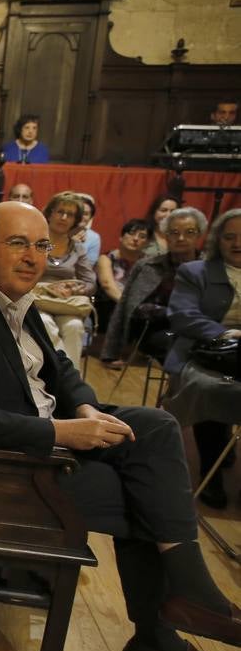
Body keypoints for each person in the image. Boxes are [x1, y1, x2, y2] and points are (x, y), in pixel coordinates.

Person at [0, 200, 240, 651]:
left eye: (40, 245)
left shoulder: (10, 295)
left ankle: (185, 602)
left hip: (37, 432)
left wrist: (84, 409)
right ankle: (163, 630)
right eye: (17, 243)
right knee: (144, 493)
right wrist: (62, 432)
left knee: (156, 428)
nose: (33, 257)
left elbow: (60, 368)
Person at [165, 208, 241, 509]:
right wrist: (228, 334)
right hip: (207, 351)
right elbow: (183, 316)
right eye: (230, 237)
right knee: (211, 389)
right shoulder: (194, 271)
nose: (237, 243)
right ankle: (212, 473)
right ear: (217, 240)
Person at [101, 207, 207, 368]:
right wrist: (110, 353)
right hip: (156, 330)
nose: (181, 237)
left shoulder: (211, 268)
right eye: (174, 232)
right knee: (183, 349)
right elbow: (129, 306)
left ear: (199, 234)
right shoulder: (147, 265)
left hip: (202, 330)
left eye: (190, 232)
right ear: (166, 236)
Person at [35, 191, 97, 368]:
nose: (63, 217)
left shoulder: (78, 248)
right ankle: (63, 375)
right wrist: (46, 287)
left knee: (75, 326)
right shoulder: (35, 243)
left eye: (69, 214)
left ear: (75, 220)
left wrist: (74, 289)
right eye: (59, 211)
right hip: (37, 300)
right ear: (49, 213)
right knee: (45, 323)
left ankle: (70, 384)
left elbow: (90, 283)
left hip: (66, 301)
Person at [94, 218, 150, 328]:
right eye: (131, 234)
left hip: (139, 307)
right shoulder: (106, 259)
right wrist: (129, 305)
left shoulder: (148, 263)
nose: (135, 239)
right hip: (109, 306)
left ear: (147, 243)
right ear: (121, 237)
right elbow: (107, 285)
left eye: (142, 236)